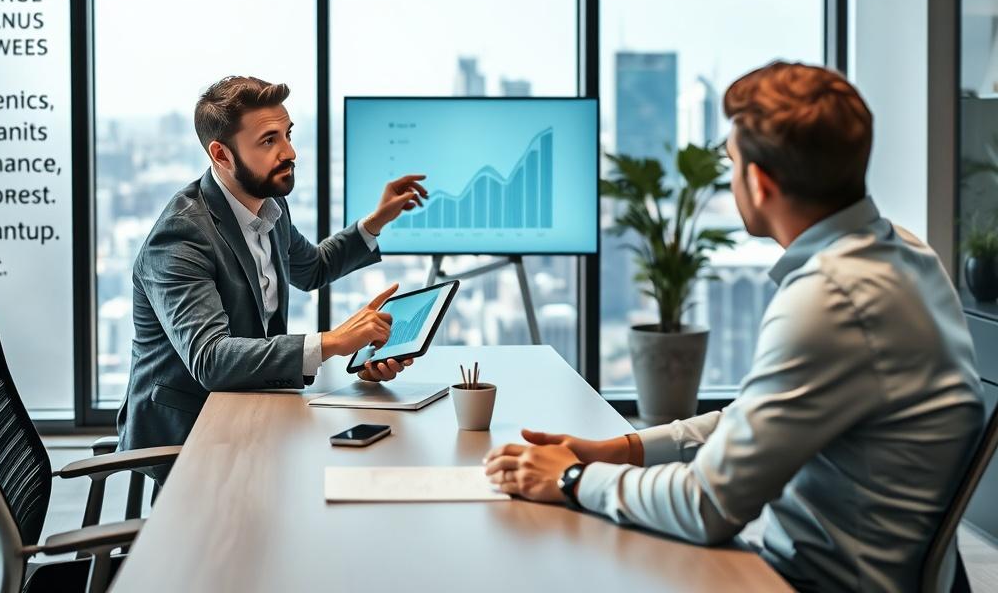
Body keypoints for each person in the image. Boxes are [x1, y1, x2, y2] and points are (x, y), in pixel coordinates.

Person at [485, 62, 985, 592]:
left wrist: (569, 479)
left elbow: (708, 506)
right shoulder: (905, 252)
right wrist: (619, 450)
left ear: (758, 181)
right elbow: (757, 418)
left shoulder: (830, 298)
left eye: (731, 163)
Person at [118, 75, 425, 467]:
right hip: (187, 432)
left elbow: (313, 268)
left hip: (252, 404)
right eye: (269, 141)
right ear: (222, 155)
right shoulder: (181, 237)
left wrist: (376, 221)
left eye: (288, 134)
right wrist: (333, 342)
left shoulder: (267, 206)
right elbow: (210, 359)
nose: (290, 152)